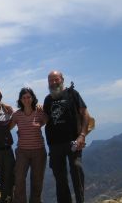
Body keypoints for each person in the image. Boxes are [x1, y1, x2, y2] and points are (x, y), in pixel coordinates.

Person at [43, 71, 90, 203]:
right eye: (50, 80)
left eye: (55, 79)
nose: (53, 83)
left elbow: (85, 114)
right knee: (60, 179)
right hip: (54, 144)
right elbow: (45, 119)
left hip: (74, 141)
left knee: (77, 175)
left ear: (62, 79)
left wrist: (82, 135)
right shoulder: (48, 99)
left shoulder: (72, 94)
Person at [10, 87, 47, 203]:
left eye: (28, 97)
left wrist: (43, 108)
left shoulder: (39, 112)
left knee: (37, 181)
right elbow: (7, 128)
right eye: (24, 97)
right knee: (19, 179)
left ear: (32, 98)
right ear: (20, 100)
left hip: (39, 151)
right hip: (22, 152)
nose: (26, 99)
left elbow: (48, 122)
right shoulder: (17, 115)